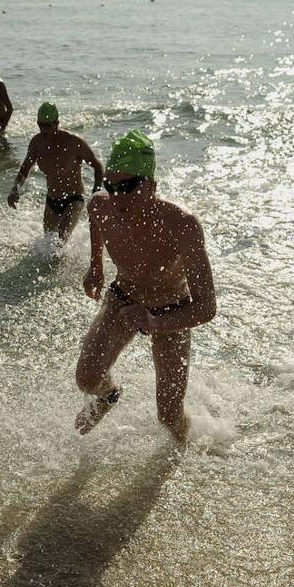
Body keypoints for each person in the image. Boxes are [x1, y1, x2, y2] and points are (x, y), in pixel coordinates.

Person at [74, 130, 216, 446]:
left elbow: (206, 306)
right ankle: (109, 396)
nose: (117, 196)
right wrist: (95, 268)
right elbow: (96, 222)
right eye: (111, 186)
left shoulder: (182, 224)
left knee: (168, 415)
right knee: (87, 378)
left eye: (127, 187)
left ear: (151, 186)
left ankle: (186, 456)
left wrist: (155, 322)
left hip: (173, 312)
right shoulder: (101, 207)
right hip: (124, 299)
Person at [7, 102, 104, 242]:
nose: (44, 129)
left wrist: (96, 191)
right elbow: (24, 170)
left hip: (74, 198)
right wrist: (15, 188)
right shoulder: (36, 143)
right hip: (52, 200)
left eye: (47, 125)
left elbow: (97, 165)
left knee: (60, 239)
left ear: (57, 123)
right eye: (40, 125)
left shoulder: (74, 142)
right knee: (48, 244)